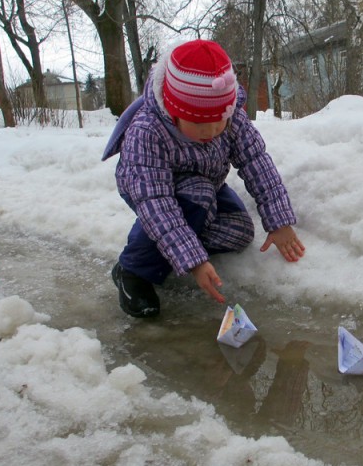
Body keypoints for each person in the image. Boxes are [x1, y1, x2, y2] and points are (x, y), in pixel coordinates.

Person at [102, 39, 305, 318]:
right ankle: (133, 269)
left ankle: (171, 247)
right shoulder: (147, 131)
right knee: (195, 196)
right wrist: (194, 261)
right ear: (174, 112)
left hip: (207, 184)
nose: (211, 131)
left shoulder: (230, 115)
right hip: (150, 188)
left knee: (240, 230)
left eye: (218, 121)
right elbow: (156, 203)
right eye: (198, 123)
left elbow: (255, 161)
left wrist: (279, 220)